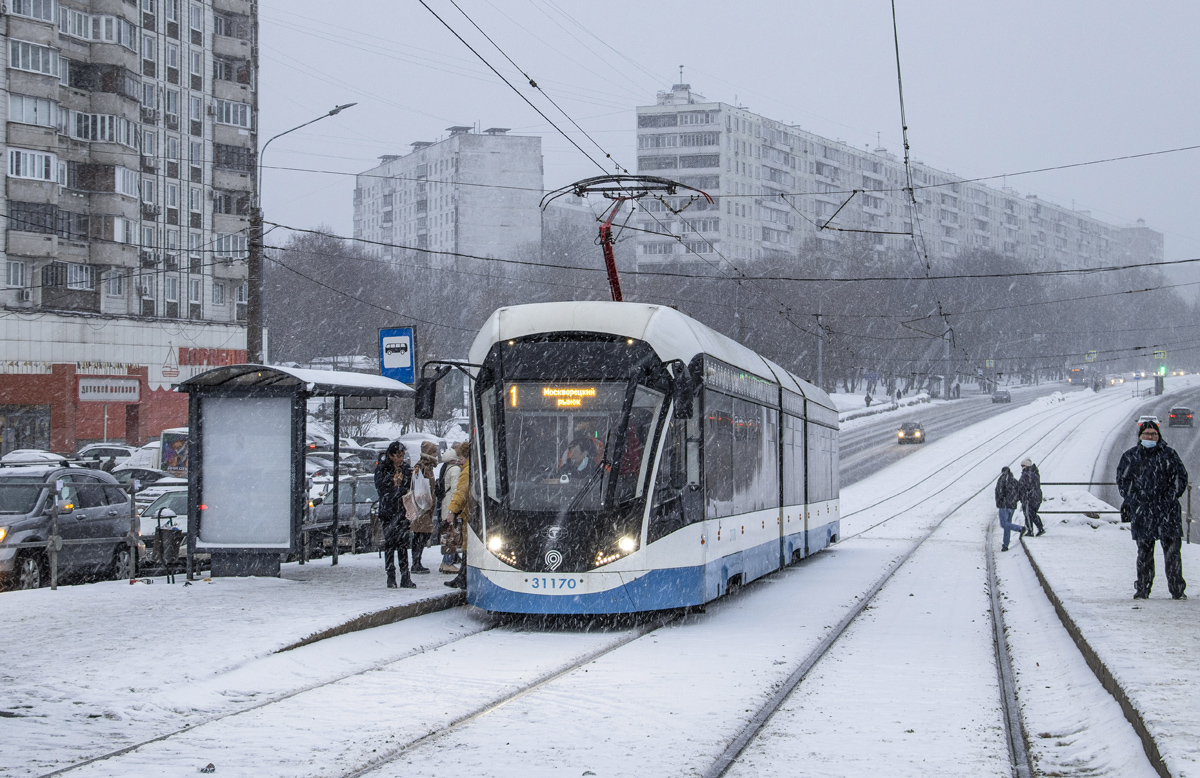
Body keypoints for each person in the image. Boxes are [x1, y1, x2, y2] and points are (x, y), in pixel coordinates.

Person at [1117, 420, 1189, 600]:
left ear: (1159, 436)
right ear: (1140, 436)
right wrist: (1134, 499)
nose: (1150, 437)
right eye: (1147, 434)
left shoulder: (1169, 455)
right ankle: (1143, 588)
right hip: (1143, 511)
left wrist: (1171, 496)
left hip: (1168, 511)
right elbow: (1123, 480)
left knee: (1173, 553)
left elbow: (1181, 477)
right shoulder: (1131, 456)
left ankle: (1177, 589)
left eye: (1153, 434)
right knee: (1144, 553)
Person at [373, 442, 415, 589]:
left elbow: (409, 487)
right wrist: (398, 490)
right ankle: (391, 576)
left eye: (402, 456)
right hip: (388, 512)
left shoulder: (406, 469)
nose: (401, 459)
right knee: (390, 545)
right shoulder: (382, 469)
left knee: (403, 545)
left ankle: (405, 576)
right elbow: (383, 490)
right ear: (390, 456)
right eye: (398, 456)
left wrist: (401, 488)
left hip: (403, 512)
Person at [445, 441, 472, 590]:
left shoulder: (466, 472)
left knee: (467, 546)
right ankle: (462, 576)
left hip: (468, 514)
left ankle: (463, 577)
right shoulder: (471, 469)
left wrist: (452, 511)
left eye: (461, 457)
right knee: (466, 546)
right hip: (469, 512)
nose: (459, 460)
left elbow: (461, 493)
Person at [409, 441, 438, 574]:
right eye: (433, 452)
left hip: (426, 507)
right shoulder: (422, 467)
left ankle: (417, 561)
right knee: (420, 535)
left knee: (422, 534)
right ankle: (416, 563)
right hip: (422, 507)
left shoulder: (428, 467)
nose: (435, 454)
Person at [437, 444, 464, 574]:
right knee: (451, 535)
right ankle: (447, 562)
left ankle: (448, 560)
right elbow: (455, 490)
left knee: (449, 534)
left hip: (445, 504)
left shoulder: (447, 467)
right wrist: (454, 509)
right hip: (450, 505)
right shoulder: (455, 470)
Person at [994, 466, 1025, 551]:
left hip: (1004, 505)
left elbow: (999, 492)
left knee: (1004, 524)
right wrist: (1014, 501)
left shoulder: (1002, 480)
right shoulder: (1014, 481)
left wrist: (1000, 501)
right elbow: (1020, 492)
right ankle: (1005, 545)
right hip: (1012, 506)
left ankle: (1020, 528)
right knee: (1007, 525)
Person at [1018, 458, 1044, 536]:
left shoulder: (1027, 474)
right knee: (1032, 513)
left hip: (1029, 497)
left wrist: (1022, 494)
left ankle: (1030, 530)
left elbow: (1023, 486)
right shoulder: (1034, 472)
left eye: (1024, 466)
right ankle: (1040, 528)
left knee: (1028, 513)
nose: (1022, 467)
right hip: (1036, 496)